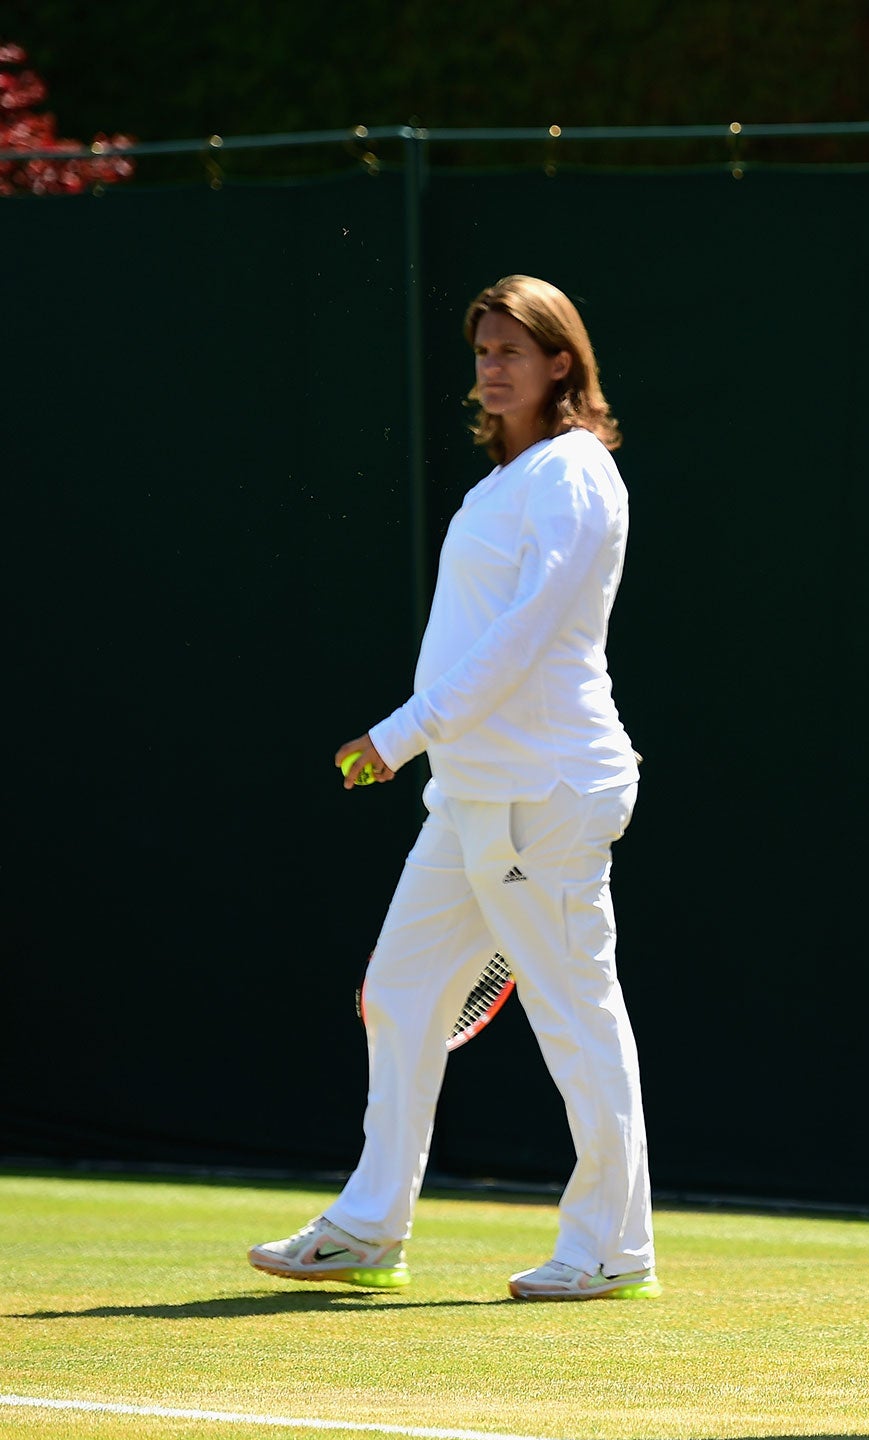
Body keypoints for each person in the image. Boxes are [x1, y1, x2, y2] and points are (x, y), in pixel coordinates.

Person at [249, 275, 657, 1302]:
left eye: (512, 350)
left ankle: (611, 1247)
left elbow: (521, 638)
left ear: (561, 361)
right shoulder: (505, 482)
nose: (491, 369)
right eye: (481, 352)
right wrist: (427, 749)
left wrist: (401, 735)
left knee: (573, 1013)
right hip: (473, 797)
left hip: (545, 790)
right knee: (397, 994)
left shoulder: (573, 475)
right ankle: (368, 1227)